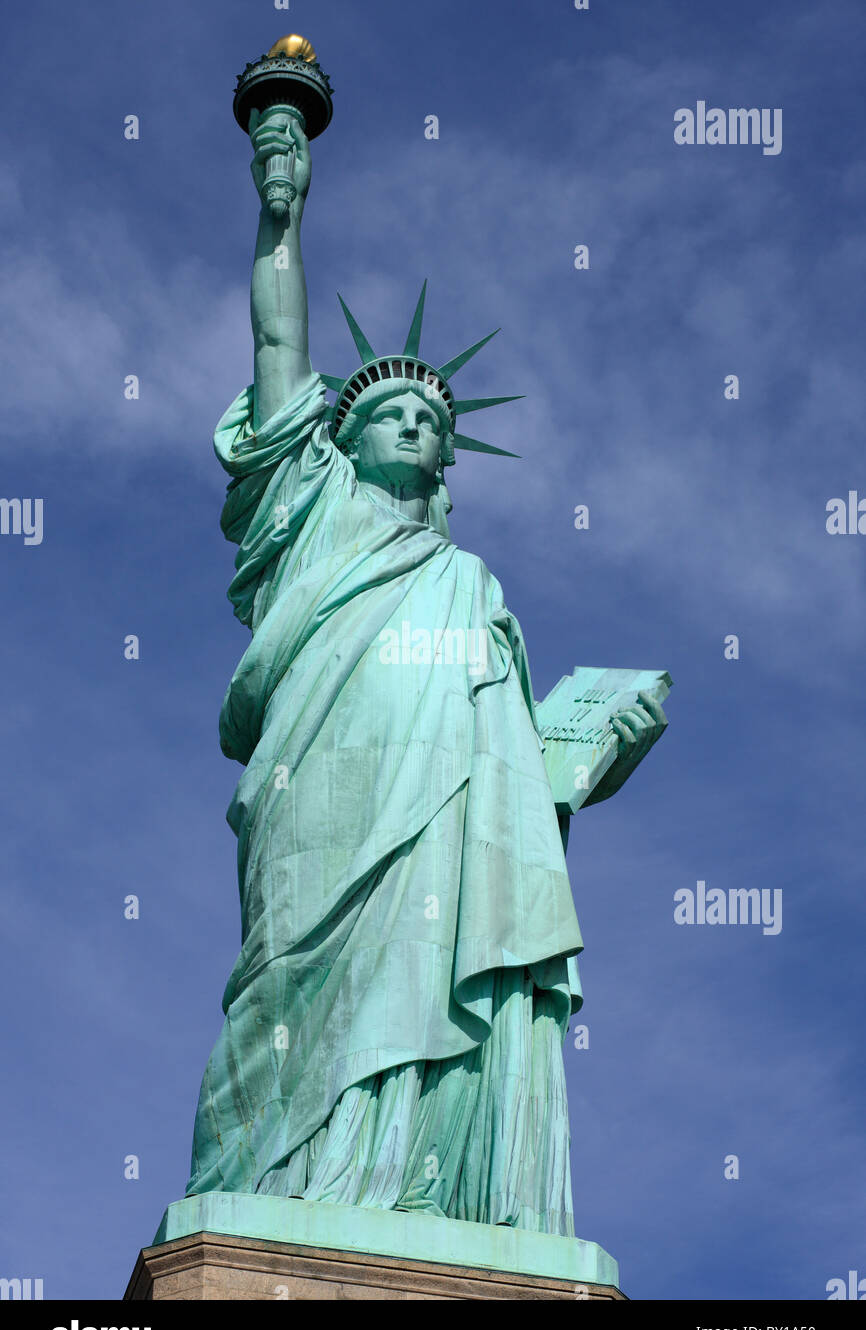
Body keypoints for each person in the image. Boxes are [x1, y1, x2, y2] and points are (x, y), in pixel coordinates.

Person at [186, 110, 665, 1235]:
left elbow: (512, 776)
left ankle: (423, 1186)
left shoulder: (474, 589)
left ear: (448, 459)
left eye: (427, 417)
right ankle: (283, 1186)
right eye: (387, 410)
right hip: (322, 802)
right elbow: (274, 349)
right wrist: (280, 214)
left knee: (439, 956)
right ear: (337, 441)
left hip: (450, 832)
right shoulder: (310, 516)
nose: (409, 422)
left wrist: (582, 755)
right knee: (290, 983)